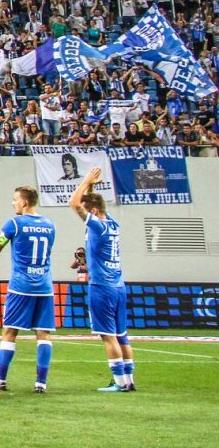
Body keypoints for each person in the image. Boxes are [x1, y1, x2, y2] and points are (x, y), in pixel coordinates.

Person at [0, 187, 56, 393]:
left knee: (9, 332)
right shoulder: (50, 225)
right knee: (43, 334)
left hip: (21, 286)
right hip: (44, 286)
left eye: (15, 200)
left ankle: (0, 381)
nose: (13, 203)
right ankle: (41, 384)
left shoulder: (15, 223)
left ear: (24, 202)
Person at [70, 167, 136, 392]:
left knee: (108, 337)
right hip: (118, 286)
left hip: (102, 286)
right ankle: (129, 380)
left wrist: (85, 181)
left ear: (94, 211)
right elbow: (91, 204)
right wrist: (91, 187)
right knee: (122, 336)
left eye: (89, 212)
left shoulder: (97, 226)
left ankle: (118, 383)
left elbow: (74, 204)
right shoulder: (113, 224)